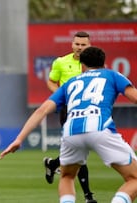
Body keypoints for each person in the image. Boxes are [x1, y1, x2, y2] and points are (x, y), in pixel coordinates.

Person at [0, 46, 137, 203]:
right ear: (104, 64)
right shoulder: (112, 75)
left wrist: (19, 139)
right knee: (134, 179)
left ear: (82, 66)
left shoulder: (70, 83)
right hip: (100, 129)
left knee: (66, 176)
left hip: (71, 131)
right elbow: (134, 97)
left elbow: (42, 110)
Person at [45, 31, 96, 203]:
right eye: (77, 44)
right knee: (79, 148)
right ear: (72, 44)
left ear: (89, 46)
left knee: (79, 150)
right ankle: (88, 196)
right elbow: (51, 81)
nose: (80, 48)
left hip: (90, 110)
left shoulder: (96, 63)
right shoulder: (61, 62)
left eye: (84, 45)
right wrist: (61, 95)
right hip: (68, 110)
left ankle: (53, 164)